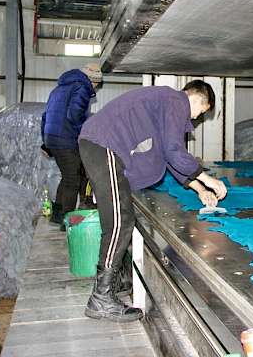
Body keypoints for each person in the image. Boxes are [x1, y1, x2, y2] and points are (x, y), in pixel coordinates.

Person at [78, 80, 227, 322]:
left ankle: (115, 281)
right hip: (104, 145)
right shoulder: (175, 101)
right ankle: (100, 298)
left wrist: (200, 189)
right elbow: (174, 151)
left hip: (100, 145)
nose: (196, 118)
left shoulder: (163, 106)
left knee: (122, 217)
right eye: (201, 112)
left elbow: (168, 157)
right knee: (120, 221)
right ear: (199, 99)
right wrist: (207, 178)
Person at [41, 63, 102, 228]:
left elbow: (45, 116)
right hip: (66, 138)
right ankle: (67, 222)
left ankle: (57, 216)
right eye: (96, 84)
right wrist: (85, 134)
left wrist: (46, 141)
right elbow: (75, 115)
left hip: (53, 137)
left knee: (67, 177)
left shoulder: (58, 89)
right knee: (72, 180)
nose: (95, 88)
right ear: (93, 80)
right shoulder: (81, 88)